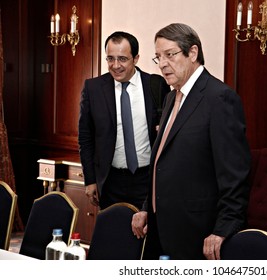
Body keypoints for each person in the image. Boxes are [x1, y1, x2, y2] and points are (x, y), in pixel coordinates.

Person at [131, 23, 251, 260]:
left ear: (193, 53)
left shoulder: (220, 98)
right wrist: (147, 207)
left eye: (169, 55)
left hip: (197, 233)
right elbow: (162, 163)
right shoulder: (170, 98)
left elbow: (235, 175)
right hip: (160, 227)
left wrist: (223, 229)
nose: (162, 63)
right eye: (158, 57)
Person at [78, 31, 170, 210]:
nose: (115, 65)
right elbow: (85, 138)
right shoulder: (93, 88)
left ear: (136, 58)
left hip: (149, 179)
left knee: (149, 234)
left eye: (122, 59)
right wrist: (90, 181)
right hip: (111, 181)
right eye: (110, 59)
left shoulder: (156, 85)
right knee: (114, 233)